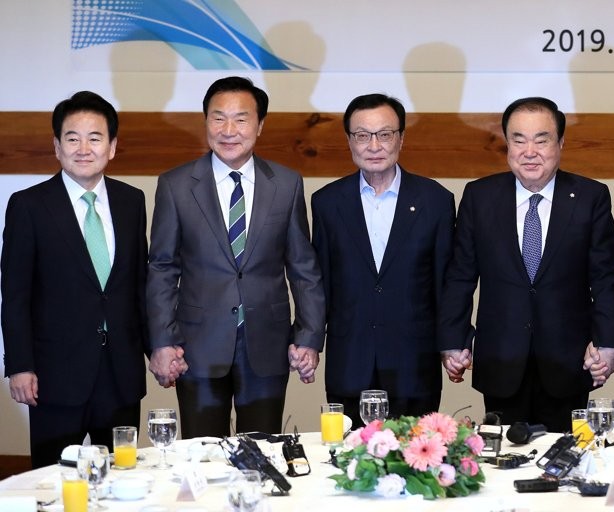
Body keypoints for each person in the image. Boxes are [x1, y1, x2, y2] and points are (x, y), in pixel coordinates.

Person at [147, 76, 325, 438]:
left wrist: (309, 336)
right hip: (197, 346)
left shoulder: (287, 184)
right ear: (206, 122)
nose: (229, 130)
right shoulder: (176, 185)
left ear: (259, 125)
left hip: (267, 343)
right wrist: (162, 341)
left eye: (241, 119)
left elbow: (303, 268)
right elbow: (162, 268)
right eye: (218, 118)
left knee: (262, 451)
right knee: (201, 454)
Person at [439, 97, 614, 432]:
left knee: (566, 456)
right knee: (502, 458)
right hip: (501, 360)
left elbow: (604, 278)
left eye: (541, 140)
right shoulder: (480, 197)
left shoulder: (590, 197)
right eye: (518, 140)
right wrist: (454, 341)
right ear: (507, 145)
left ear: (560, 143)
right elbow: (460, 277)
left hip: (569, 362)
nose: (529, 152)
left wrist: (608, 343)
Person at [2, 91, 148, 468]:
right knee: (53, 481)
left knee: (123, 479)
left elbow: (139, 286)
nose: (84, 149)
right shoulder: (29, 205)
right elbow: (15, 295)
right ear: (57, 146)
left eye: (95, 138)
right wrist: (19, 365)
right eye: (72, 138)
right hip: (54, 376)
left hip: (120, 373)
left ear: (112, 146)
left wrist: (158, 351)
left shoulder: (132, 202)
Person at [311, 94, 454, 428]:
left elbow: (445, 284)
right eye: (362, 135)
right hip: (349, 362)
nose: (374, 145)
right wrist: (309, 342)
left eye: (385, 134)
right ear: (349, 141)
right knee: (349, 457)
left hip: (414, 364)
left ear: (401, 138)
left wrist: (452, 343)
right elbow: (320, 285)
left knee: (418, 455)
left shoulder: (435, 200)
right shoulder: (327, 203)